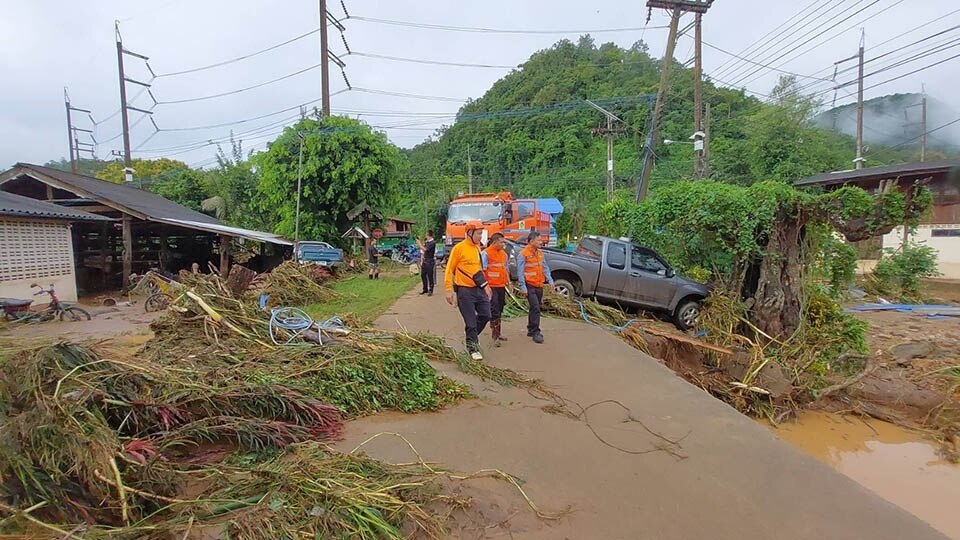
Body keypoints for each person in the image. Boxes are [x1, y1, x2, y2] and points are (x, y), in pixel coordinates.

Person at [444, 225, 492, 361]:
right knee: (470, 322)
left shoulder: (477, 248)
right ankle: (472, 347)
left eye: (481, 233)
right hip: (464, 291)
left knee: (486, 315)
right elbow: (449, 270)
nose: (480, 237)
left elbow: (478, 270)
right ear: (469, 233)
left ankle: (472, 336)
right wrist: (448, 290)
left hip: (478, 289)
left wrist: (486, 286)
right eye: (478, 234)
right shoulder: (459, 248)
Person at [517, 231, 553, 344]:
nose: (541, 242)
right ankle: (536, 331)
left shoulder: (540, 253)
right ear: (531, 241)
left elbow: (545, 268)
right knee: (536, 307)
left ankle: (530, 329)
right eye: (538, 240)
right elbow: (520, 272)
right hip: (530, 285)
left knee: (534, 308)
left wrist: (550, 281)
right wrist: (523, 287)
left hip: (539, 285)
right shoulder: (523, 254)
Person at [481, 232, 510, 347]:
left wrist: (509, 283)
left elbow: (505, 268)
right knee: (494, 310)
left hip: (501, 286)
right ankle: (495, 335)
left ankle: (498, 332)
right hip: (491, 287)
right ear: (495, 242)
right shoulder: (486, 253)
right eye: (502, 242)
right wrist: (485, 287)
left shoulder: (504, 255)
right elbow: (482, 271)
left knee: (500, 308)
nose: (504, 244)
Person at [418, 230, 437, 296]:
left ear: (429, 235)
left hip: (430, 261)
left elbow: (425, 249)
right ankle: (425, 289)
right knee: (423, 275)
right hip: (425, 261)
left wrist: (419, 244)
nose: (425, 236)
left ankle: (431, 290)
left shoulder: (432, 243)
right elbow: (423, 251)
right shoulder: (427, 242)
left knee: (430, 276)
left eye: (426, 235)